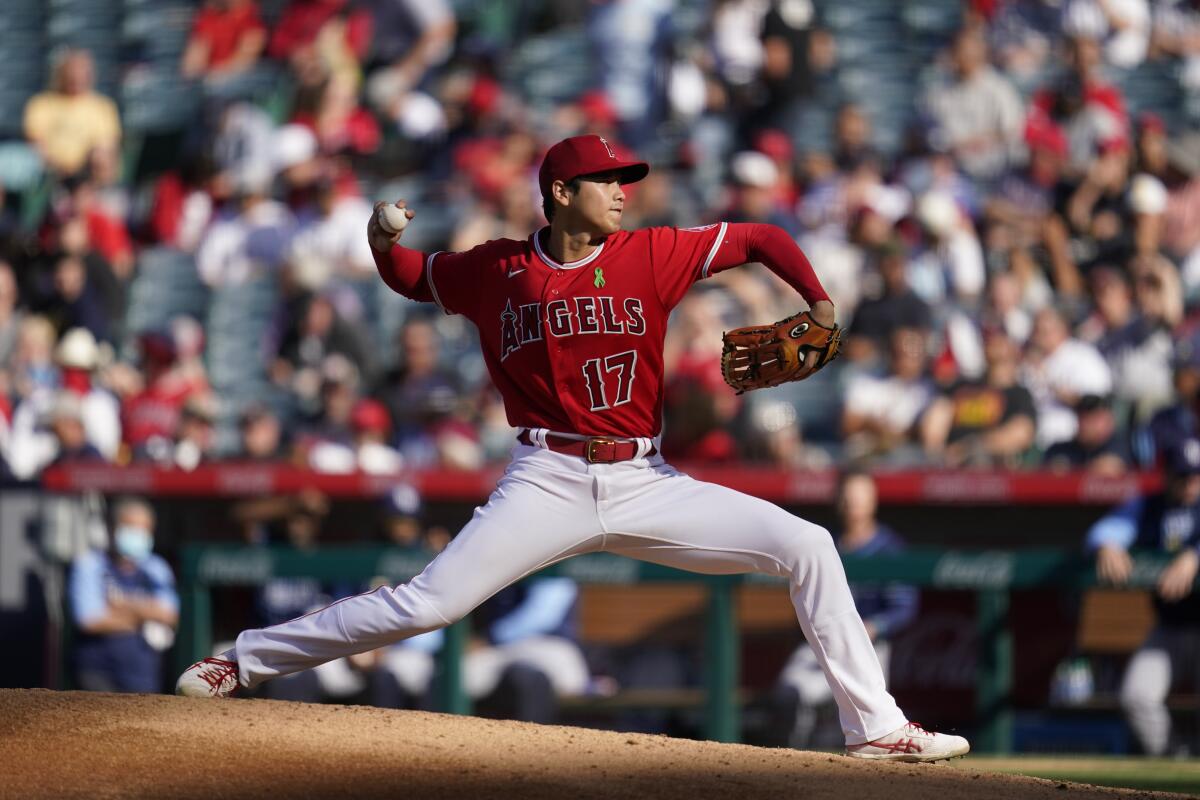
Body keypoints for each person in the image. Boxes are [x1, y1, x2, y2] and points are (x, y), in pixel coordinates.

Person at [177, 134, 969, 762]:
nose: (624, 190)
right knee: (427, 604)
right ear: (561, 193)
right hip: (547, 477)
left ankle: (876, 728)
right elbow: (416, 278)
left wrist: (821, 301)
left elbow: (760, 234)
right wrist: (383, 243)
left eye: (626, 178)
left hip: (647, 477)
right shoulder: (500, 268)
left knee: (809, 544)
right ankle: (240, 661)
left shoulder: (650, 253)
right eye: (607, 179)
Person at [769, 470, 918, 749]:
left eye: (860, 498)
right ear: (838, 501)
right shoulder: (826, 543)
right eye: (848, 498)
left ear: (873, 501)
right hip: (823, 642)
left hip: (868, 645)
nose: (853, 504)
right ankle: (789, 766)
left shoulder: (889, 548)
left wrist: (873, 626)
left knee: (844, 713)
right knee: (790, 693)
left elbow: (904, 607)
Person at [1086, 438, 1200, 756]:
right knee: (1137, 695)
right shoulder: (1150, 505)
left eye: (1196, 475)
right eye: (1183, 475)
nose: (1191, 482)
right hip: (1168, 627)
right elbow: (1105, 529)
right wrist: (1108, 543)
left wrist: (1194, 557)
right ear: (1166, 474)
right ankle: (1173, 759)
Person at [69, 499, 178, 692]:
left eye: (143, 529)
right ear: (113, 528)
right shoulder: (90, 564)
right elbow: (89, 620)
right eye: (130, 527)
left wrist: (120, 606)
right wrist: (143, 616)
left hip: (144, 676)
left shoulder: (155, 567)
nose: (137, 534)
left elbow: (169, 614)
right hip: (97, 672)